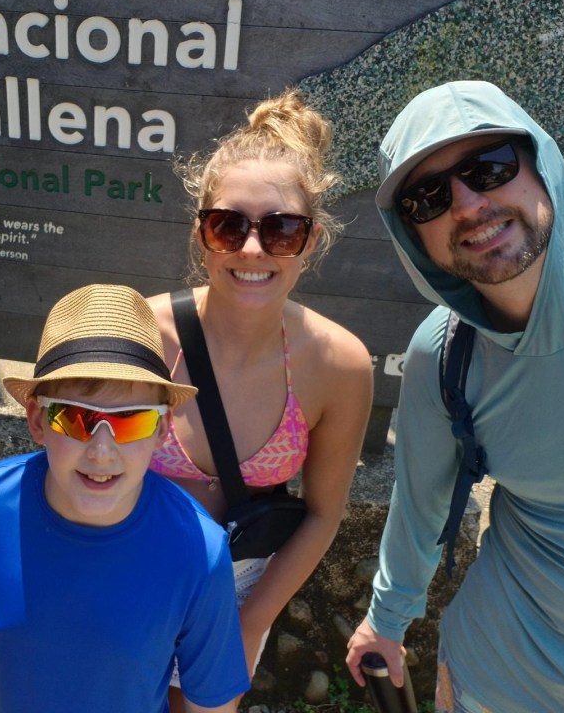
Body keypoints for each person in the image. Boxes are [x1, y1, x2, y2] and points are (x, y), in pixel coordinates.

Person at [345, 80, 564, 712]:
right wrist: (387, 620)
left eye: (489, 168)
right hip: (504, 678)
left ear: (541, 165)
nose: (466, 204)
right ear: (411, 236)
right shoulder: (444, 356)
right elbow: (420, 505)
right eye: (427, 198)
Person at [146, 88, 375, 707]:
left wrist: (247, 625)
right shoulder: (141, 331)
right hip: (130, 569)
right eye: (229, 225)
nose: (252, 249)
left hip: (243, 588)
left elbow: (324, 514)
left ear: (310, 238)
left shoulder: (339, 364)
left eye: (280, 229)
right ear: (203, 236)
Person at [0, 283, 250, 713]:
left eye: (132, 421)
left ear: (161, 429)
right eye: (76, 418)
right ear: (38, 420)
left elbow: (210, 705)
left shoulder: (200, 551)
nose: (102, 450)